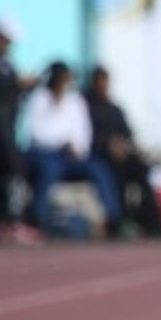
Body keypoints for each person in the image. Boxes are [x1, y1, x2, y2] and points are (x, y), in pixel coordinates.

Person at [22, 61, 122, 237]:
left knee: (99, 168)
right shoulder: (39, 99)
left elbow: (82, 132)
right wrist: (61, 143)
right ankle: (39, 218)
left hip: (70, 156)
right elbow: (36, 134)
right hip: (44, 154)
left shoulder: (75, 101)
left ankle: (112, 217)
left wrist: (77, 148)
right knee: (49, 169)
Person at [0, 17, 39, 244]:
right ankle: (12, 220)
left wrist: (27, 86)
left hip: (9, 122)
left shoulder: (6, 62)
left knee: (2, 172)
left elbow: (12, 91)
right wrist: (17, 85)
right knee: (14, 167)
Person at [84, 66, 161, 236]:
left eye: (105, 82)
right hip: (100, 156)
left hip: (123, 156)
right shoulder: (85, 108)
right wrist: (109, 146)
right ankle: (118, 221)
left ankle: (149, 221)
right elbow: (84, 137)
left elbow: (128, 135)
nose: (103, 86)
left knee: (143, 171)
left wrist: (129, 147)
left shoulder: (115, 109)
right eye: (100, 82)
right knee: (114, 177)